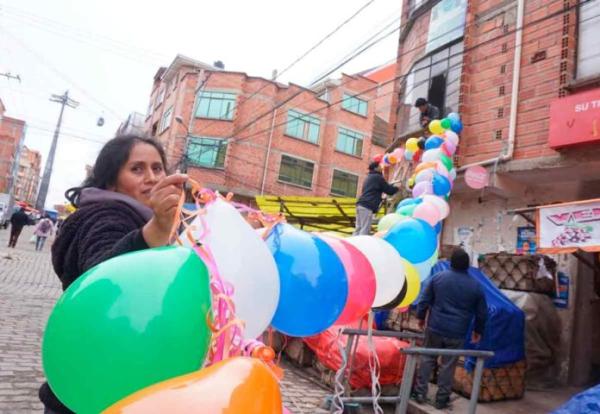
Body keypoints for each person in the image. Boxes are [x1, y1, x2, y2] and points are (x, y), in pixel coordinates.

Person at [39, 135, 187, 414]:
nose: (152, 177)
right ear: (111, 181)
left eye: (157, 168)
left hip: (126, 380)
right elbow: (104, 275)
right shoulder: (104, 215)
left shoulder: (147, 218)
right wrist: (157, 229)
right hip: (89, 385)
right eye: (137, 169)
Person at [413, 248, 488, 409]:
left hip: (435, 327)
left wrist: (420, 317)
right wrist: (478, 331)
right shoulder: (475, 286)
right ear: (467, 265)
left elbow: (424, 300)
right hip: (457, 332)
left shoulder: (438, 278)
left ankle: (420, 392)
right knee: (449, 365)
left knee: (427, 358)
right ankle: (442, 399)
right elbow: (482, 312)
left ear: (451, 263)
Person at [354, 161, 398, 235]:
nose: (381, 168)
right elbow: (389, 190)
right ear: (376, 168)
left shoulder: (369, 177)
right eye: (380, 166)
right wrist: (397, 188)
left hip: (360, 205)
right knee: (365, 229)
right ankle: (360, 244)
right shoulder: (378, 178)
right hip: (367, 206)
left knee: (358, 228)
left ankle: (352, 244)